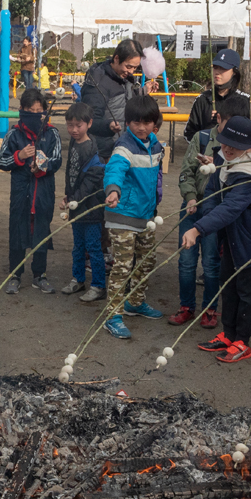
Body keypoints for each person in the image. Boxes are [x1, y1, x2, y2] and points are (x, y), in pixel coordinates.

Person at [182, 117, 251, 364]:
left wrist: (198, 230)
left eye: (234, 147)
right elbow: (215, 192)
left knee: (247, 289)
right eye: (225, 143)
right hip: (232, 232)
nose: (227, 150)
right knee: (228, 283)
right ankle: (228, 333)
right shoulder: (225, 158)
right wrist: (205, 218)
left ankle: (242, 341)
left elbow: (231, 208)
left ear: (249, 146)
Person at [172, 102, 242, 328]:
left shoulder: (240, 144)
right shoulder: (201, 138)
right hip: (193, 208)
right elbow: (186, 172)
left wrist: (219, 164)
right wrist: (190, 197)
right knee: (186, 260)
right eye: (227, 125)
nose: (231, 132)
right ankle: (186, 307)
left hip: (217, 211)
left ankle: (210, 309)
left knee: (212, 262)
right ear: (219, 118)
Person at [101, 94, 164, 339]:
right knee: (123, 266)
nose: (140, 127)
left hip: (146, 215)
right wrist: (113, 190)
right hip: (122, 215)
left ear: (154, 124)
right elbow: (114, 169)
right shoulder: (124, 147)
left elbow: (156, 177)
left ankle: (135, 302)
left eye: (146, 122)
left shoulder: (155, 145)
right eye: (135, 122)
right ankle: (113, 315)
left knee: (147, 261)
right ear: (128, 123)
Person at [0, 88, 63, 295]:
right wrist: (20, 155)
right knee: (17, 232)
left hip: (43, 194)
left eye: (39, 110)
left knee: (42, 232)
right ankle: (14, 274)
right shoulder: (14, 134)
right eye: (30, 110)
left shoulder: (52, 133)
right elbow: (2, 160)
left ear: (45, 110)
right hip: (20, 194)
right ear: (22, 110)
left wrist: (41, 165)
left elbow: (57, 159)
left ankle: (40, 275)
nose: (36, 114)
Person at [60, 102, 106, 302]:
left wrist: (73, 199)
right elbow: (72, 174)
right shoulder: (73, 143)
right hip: (75, 206)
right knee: (78, 246)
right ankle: (78, 279)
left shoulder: (92, 151)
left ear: (89, 123)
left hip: (91, 207)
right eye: (70, 125)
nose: (74, 130)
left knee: (94, 248)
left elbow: (89, 182)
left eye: (78, 125)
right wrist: (67, 194)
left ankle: (98, 286)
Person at [81, 39, 157, 158]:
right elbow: (88, 119)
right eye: (128, 66)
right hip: (102, 152)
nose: (131, 71)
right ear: (116, 58)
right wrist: (108, 126)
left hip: (121, 147)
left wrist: (143, 91)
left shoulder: (122, 78)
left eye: (135, 68)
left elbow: (125, 101)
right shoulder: (98, 83)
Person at [181, 48, 251, 152]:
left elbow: (250, 135)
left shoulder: (246, 101)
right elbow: (189, 133)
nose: (218, 72)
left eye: (224, 68)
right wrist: (205, 144)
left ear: (234, 72)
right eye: (215, 67)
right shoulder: (202, 99)